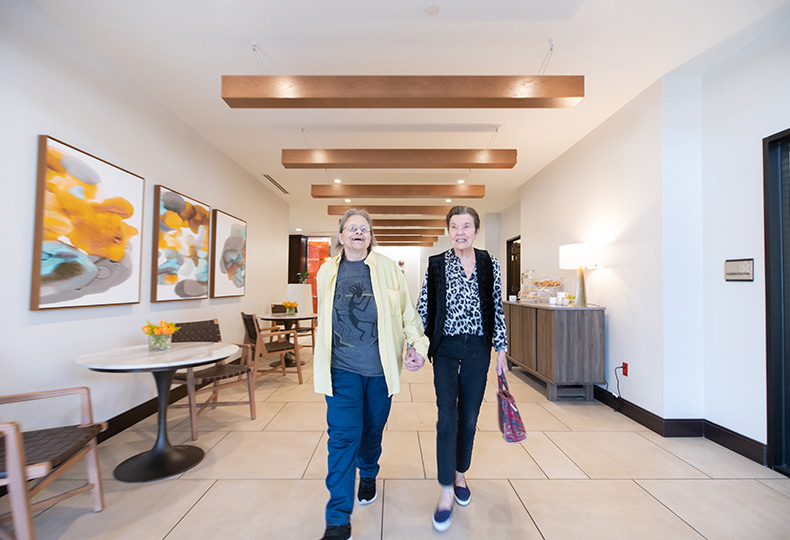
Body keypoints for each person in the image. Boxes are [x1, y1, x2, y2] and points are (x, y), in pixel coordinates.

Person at [314, 208, 429, 540]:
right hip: (341, 372)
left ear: (370, 235)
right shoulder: (325, 272)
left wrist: (417, 347)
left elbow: (407, 313)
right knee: (342, 439)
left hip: (380, 372)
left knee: (372, 432)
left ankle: (369, 472)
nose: (357, 232)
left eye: (364, 228)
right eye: (351, 228)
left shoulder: (389, 269)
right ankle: (337, 519)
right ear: (341, 236)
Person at [417, 205, 508, 532]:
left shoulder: (490, 264)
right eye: (454, 226)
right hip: (446, 348)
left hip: (478, 349)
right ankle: (444, 491)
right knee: (447, 416)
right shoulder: (436, 264)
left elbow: (496, 306)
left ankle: (460, 474)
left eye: (466, 226)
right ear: (448, 230)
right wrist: (416, 346)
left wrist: (501, 349)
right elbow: (424, 308)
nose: (460, 232)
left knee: (469, 416)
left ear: (476, 230)